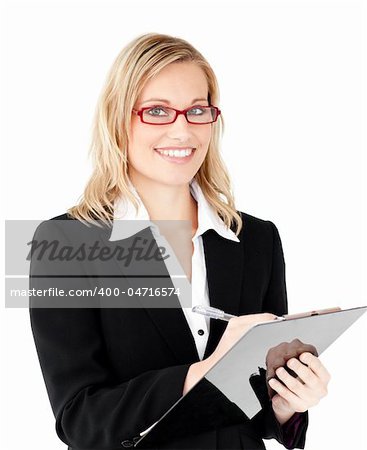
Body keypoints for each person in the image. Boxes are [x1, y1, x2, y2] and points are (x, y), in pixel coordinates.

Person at [29, 33, 331, 450]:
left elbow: (256, 414)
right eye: (157, 111)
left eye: (196, 110)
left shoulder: (256, 238)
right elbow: (80, 419)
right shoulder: (65, 242)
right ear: (119, 119)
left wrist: (287, 404)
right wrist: (203, 372)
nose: (181, 129)